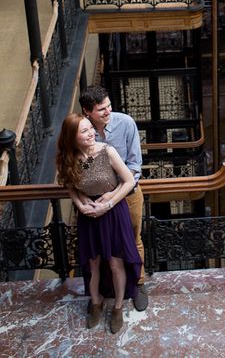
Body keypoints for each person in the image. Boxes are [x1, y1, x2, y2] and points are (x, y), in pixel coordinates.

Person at [56, 113, 142, 333]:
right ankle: (96, 302)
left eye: (90, 129)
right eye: (84, 131)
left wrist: (110, 203)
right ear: (71, 137)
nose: (92, 133)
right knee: (92, 263)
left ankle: (118, 307)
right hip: (89, 216)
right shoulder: (68, 158)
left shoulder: (107, 151)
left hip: (113, 211)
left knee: (115, 263)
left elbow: (129, 180)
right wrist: (79, 203)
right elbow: (69, 186)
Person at [79, 85, 148, 311]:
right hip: (96, 199)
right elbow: (73, 167)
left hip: (128, 195)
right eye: (101, 109)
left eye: (109, 106)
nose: (108, 111)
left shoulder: (125, 123)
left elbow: (134, 166)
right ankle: (108, 290)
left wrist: (114, 193)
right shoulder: (81, 129)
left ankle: (139, 284)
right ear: (87, 111)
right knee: (105, 248)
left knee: (133, 239)